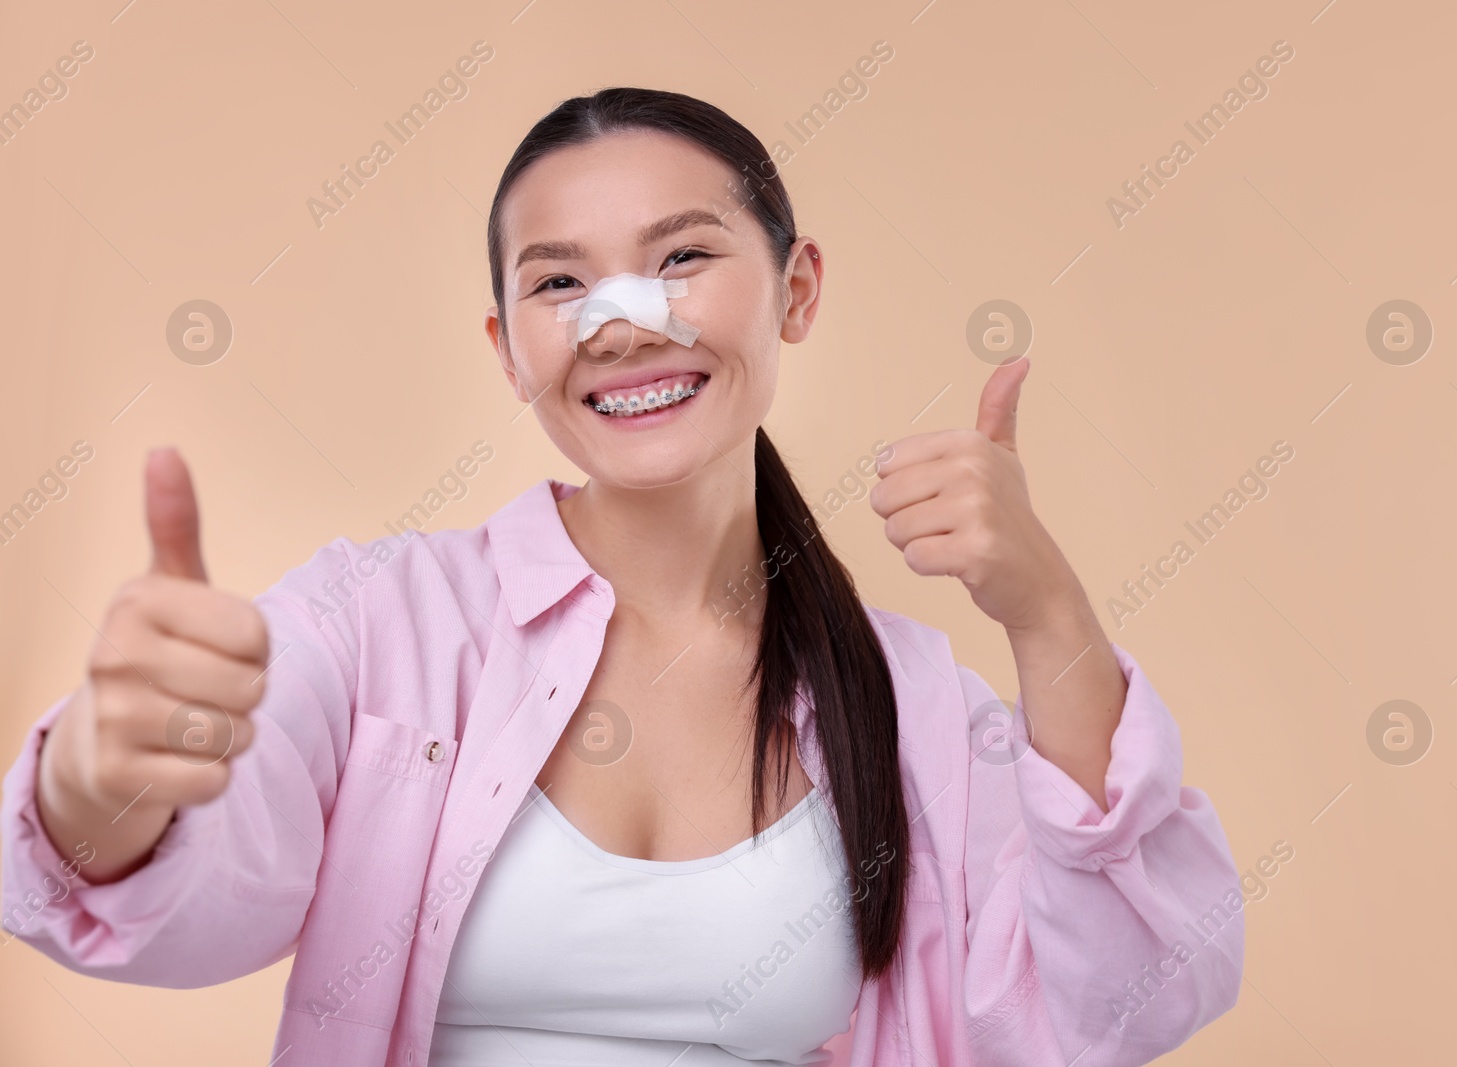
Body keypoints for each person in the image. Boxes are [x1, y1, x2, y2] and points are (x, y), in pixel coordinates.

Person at [0, 87, 1245, 1066]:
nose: (623, 321)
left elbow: (1123, 999)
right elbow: (189, 896)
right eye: (559, 281)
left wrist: (1047, 614)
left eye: (682, 255)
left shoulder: (907, 700)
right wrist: (100, 778)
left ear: (795, 289)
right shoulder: (379, 624)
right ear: (507, 348)